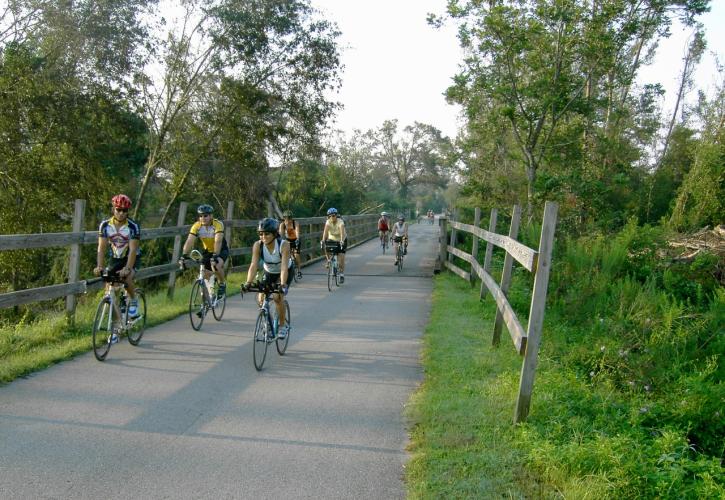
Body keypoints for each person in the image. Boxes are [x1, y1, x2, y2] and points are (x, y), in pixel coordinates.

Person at [93, 194, 141, 343]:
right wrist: (99, 266)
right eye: (118, 209)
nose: (121, 213)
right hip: (115, 258)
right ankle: (115, 329)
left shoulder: (133, 226)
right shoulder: (105, 225)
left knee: (126, 277)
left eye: (124, 210)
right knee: (110, 292)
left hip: (131, 257)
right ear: (113, 209)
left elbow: (133, 250)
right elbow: (101, 248)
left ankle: (133, 300)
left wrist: (127, 268)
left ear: (128, 211)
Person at [243, 218, 291, 339]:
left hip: (284, 271)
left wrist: (282, 284)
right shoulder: (258, 245)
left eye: (267, 234)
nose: (263, 236)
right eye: (261, 234)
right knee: (261, 298)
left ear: (274, 234)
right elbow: (253, 265)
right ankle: (268, 324)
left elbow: (284, 267)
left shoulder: (283, 245)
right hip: (269, 272)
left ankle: (282, 326)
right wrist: (248, 282)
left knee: (277, 297)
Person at [180, 204, 228, 299]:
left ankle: (222, 284)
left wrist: (215, 255)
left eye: (205, 215)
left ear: (211, 216)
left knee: (215, 266)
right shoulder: (197, 226)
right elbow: (189, 240)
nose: (203, 218)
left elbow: (218, 241)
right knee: (204, 275)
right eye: (201, 216)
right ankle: (206, 303)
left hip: (221, 250)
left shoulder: (218, 224)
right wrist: (184, 255)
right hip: (208, 251)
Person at [321, 207, 347, 283]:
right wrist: (323, 240)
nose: (332, 217)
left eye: (333, 215)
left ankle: (341, 274)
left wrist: (342, 241)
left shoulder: (340, 222)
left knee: (341, 257)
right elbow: (325, 233)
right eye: (330, 216)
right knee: (326, 245)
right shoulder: (328, 222)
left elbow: (342, 232)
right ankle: (328, 260)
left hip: (341, 239)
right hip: (332, 238)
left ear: (336, 215)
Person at [279, 210, 302, 277]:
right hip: (287, 240)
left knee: (296, 255)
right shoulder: (282, 225)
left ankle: (299, 270)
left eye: (290, 218)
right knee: (285, 255)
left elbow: (297, 231)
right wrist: (283, 241)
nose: (288, 220)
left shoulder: (295, 223)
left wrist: (297, 239)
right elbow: (281, 235)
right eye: (286, 218)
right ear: (284, 218)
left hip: (295, 240)